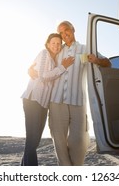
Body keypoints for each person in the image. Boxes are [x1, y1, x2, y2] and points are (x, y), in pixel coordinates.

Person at [29, 21, 111, 166]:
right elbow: (39, 65)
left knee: (78, 140)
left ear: (73, 29)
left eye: (66, 30)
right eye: (60, 33)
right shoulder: (56, 50)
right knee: (59, 139)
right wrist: (30, 69)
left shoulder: (85, 49)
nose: (64, 34)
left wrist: (97, 60)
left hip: (78, 100)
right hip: (56, 100)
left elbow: (107, 63)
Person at [21, 33, 74, 166]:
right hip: (34, 100)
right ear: (48, 44)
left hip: (43, 104)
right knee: (32, 141)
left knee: (33, 142)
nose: (56, 46)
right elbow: (43, 76)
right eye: (53, 43)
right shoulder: (44, 53)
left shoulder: (54, 59)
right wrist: (63, 67)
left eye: (58, 43)